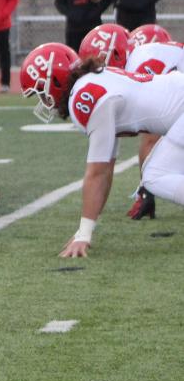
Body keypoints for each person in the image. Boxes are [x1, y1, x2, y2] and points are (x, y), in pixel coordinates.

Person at [20, 42, 184, 257]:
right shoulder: (95, 82)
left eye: (42, 93)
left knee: (154, 176)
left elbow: (98, 172)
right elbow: (106, 169)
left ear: (55, 82)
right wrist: (84, 231)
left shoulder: (85, 96)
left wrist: (83, 235)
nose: (44, 102)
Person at [123, 23, 180, 219]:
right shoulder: (172, 53)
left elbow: (150, 139)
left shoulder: (142, 63)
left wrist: (146, 191)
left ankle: (146, 193)